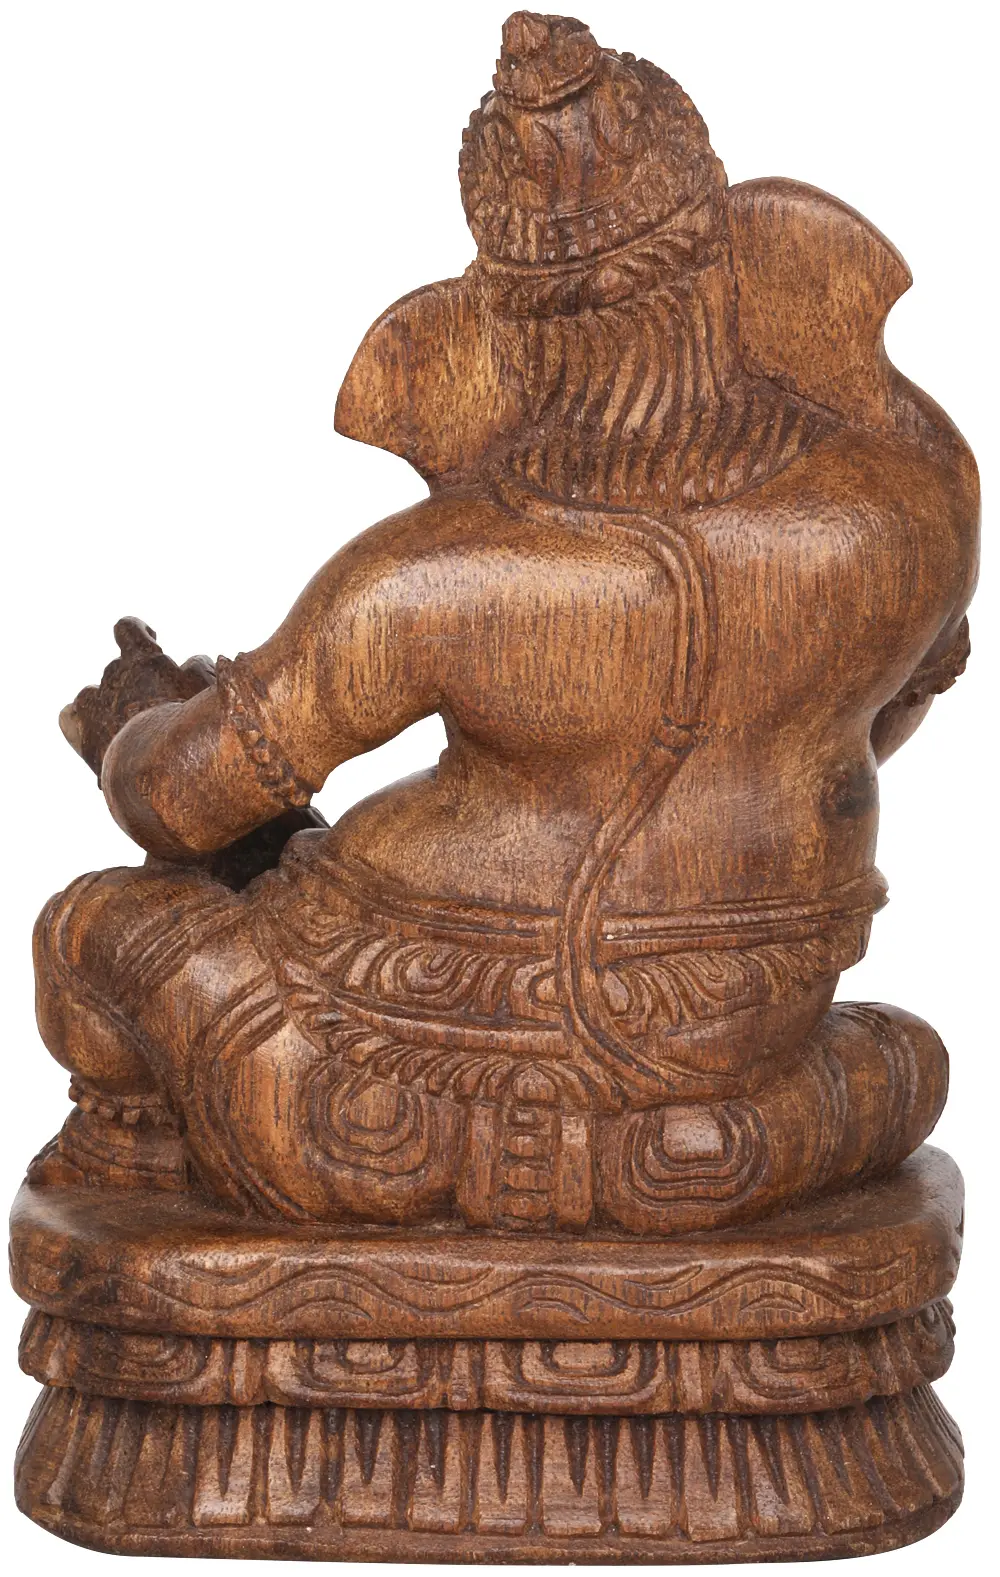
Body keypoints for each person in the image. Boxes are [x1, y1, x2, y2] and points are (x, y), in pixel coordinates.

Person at [32, 13, 978, 1233]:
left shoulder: (438, 572)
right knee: (905, 1054)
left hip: (384, 1072)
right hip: (743, 1035)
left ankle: (173, 1149)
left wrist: (138, 725)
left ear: (500, 316)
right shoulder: (900, 509)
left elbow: (180, 802)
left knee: (91, 925)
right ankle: (703, 1152)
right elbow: (871, 721)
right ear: (724, 248)